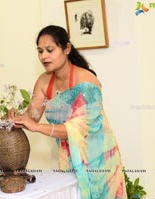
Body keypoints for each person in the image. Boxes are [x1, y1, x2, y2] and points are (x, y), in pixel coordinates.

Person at [9, 25, 127, 198]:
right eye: (40, 51)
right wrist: (16, 118)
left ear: (67, 49)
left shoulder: (86, 82)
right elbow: (31, 117)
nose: (44, 56)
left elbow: (77, 129)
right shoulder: (44, 81)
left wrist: (36, 127)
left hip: (98, 160)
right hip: (69, 160)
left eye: (50, 50)